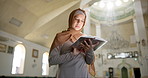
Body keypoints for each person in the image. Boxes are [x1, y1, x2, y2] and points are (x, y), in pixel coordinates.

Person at [48, 8, 96, 78]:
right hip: (65, 75)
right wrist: (72, 54)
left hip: (83, 75)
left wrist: (90, 51)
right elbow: (52, 60)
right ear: (71, 19)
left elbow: (89, 62)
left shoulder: (85, 38)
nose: (79, 22)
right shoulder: (61, 37)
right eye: (76, 19)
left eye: (82, 21)